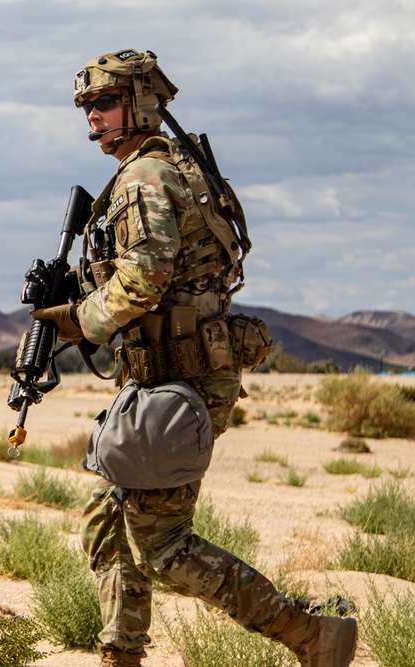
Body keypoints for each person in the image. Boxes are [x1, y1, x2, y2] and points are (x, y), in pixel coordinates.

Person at [29, 49, 358, 667]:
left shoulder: (146, 178)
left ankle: (312, 636)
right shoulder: (167, 168)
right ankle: (120, 653)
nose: (92, 118)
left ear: (141, 102)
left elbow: (144, 282)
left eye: (103, 103)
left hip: (181, 379)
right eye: (87, 107)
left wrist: (78, 321)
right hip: (164, 376)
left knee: (165, 549)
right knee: (106, 522)